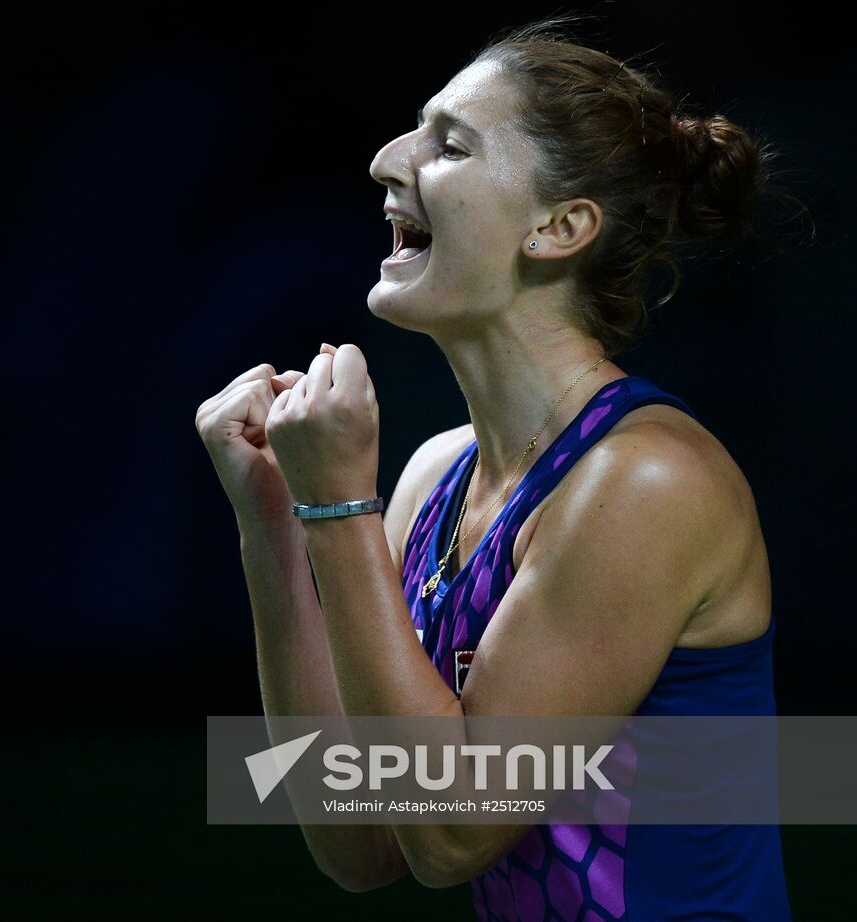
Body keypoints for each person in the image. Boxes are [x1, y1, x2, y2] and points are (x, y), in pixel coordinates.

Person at [194, 16, 793, 921]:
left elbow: (451, 835)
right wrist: (275, 521)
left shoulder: (648, 484)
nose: (386, 162)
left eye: (450, 145)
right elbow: (360, 843)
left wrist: (341, 507)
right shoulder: (436, 476)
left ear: (558, 227)